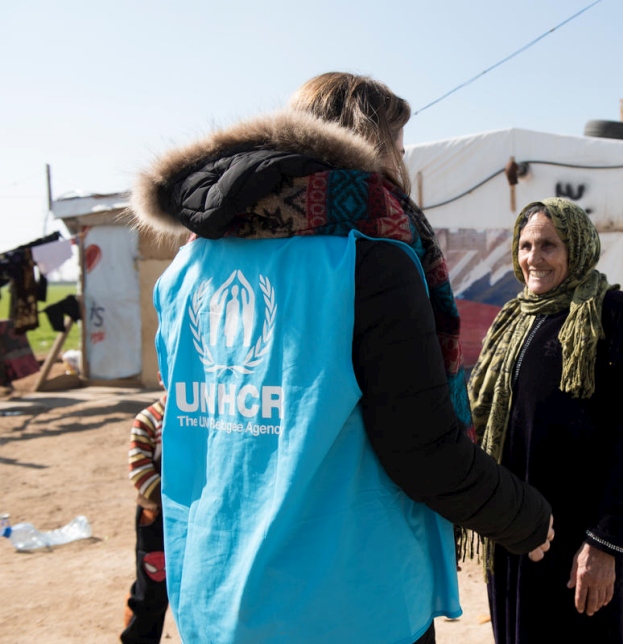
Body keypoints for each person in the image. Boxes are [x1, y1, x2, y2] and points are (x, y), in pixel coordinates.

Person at [130, 72, 553, 644]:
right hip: (345, 606)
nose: (400, 167)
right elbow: (422, 449)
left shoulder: (186, 267)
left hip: (216, 596)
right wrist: (525, 518)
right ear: (371, 147)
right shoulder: (370, 257)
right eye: (397, 150)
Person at [469, 198, 623, 643]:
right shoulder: (513, 320)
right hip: (516, 533)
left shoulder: (615, 314)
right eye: (525, 245)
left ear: (576, 248)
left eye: (548, 246)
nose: (533, 258)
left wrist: (606, 544)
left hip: (579, 542)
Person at [121, 394, 168, 644]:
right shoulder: (149, 419)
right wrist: (168, 502)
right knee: (152, 589)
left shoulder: (202, 415)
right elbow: (139, 470)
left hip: (192, 515)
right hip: (156, 515)